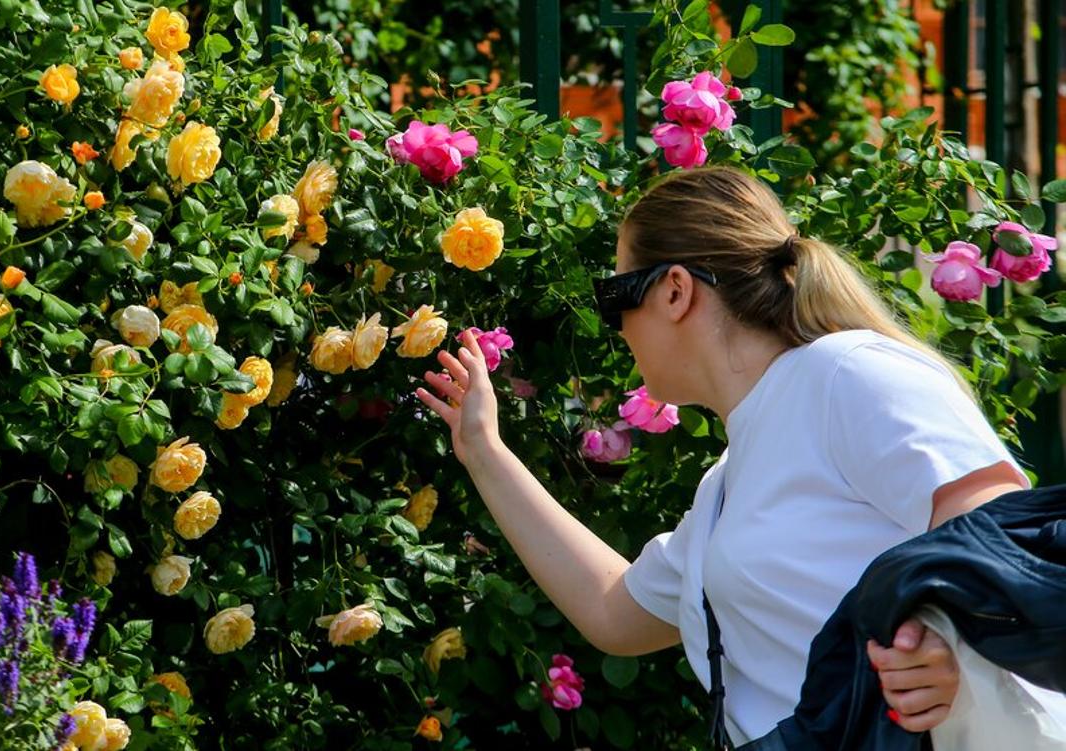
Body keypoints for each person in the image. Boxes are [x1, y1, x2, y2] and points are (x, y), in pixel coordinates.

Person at [414, 166, 1030, 748]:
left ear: (675, 290)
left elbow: (995, 518)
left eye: (615, 298)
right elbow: (616, 614)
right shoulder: (726, 486)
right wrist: (484, 452)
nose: (618, 328)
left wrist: (954, 646)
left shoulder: (845, 372)